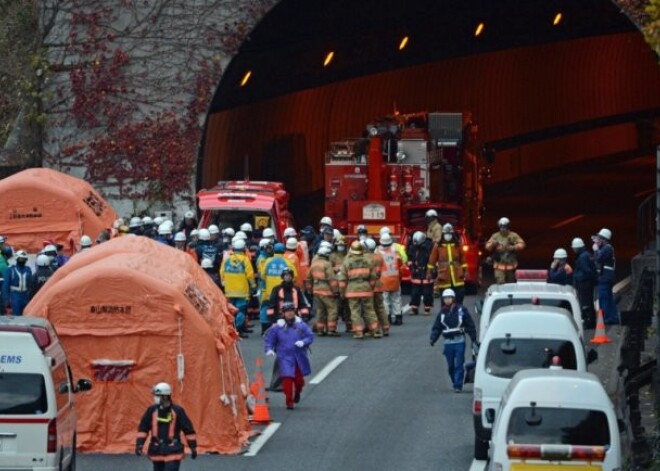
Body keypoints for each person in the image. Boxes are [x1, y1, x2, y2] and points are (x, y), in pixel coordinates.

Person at [136, 382, 197, 470]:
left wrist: (193, 446)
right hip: (157, 450)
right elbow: (143, 428)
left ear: (165, 396)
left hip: (173, 450)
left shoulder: (178, 411)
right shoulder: (151, 411)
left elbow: (188, 430)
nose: (155, 398)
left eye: (157, 395)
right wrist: (139, 444)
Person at [264, 302, 314, 410]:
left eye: (291, 311)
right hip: (284, 357)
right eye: (287, 311)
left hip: (298, 357)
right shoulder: (277, 327)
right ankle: (289, 401)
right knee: (287, 379)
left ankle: (297, 393)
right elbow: (270, 339)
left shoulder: (301, 325)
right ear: (283, 313)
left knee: (299, 381)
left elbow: (310, 336)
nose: (290, 313)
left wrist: (303, 342)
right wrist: (269, 349)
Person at [429, 289, 478, 393]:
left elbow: (470, 324)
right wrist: (433, 338)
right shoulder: (442, 313)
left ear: (453, 298)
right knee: (451, 366)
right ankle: (455, 380)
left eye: (449, 298)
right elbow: (437, 327)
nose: (447, 300)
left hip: (459, 341)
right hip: (448, 343)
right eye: (445, 298)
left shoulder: (462, 310)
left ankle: (458, 385)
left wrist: (473, 338)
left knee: (459, 364)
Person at [337, 241, 379, 339]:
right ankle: (375, 330)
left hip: (352, 289)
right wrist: (370, 288)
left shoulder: (347, 261)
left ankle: (358, 332)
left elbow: (342, 280)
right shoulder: (368, 260)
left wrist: (342, 292)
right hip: (366, 287)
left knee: (355, 311)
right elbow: (373, 278)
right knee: (370, 310)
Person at [220, 238, 256, 338]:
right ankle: (239, 330)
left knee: (230, 310)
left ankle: (230, 329)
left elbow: (222, 272)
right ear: (243, 248)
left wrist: (224, 283)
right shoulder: (245, 259)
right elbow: (250, 275)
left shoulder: (227, 259)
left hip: (229, 290)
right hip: (241, 290)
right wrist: (253, 286)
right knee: (241, 310)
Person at [260, 243, 295, 334]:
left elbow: (262, 275)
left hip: (269, 290)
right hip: (282, 291)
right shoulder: (287, 262)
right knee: (281, 308)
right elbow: (294, 275)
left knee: (267, 307)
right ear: (284, 251)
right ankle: (281, 327)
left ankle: (265, 327)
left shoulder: (268, 261)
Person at [428, 223, 468, 302]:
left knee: (460, 296)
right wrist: (429, 273)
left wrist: (466, 271)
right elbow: (432, 260)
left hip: (457, 275)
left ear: (453, 234)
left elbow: (463, 259)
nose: (448, 235)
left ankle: (458, 312)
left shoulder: (457, 245)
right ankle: (446, 313)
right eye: (446, 233)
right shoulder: (438, 246)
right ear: (443, 234)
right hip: (444, 276)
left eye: (450, 233)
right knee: (445, 299)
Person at [306, 245, 339, 336]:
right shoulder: (327, 264)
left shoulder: (314, 264)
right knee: (332, 309)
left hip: (316, 290)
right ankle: (331, 329)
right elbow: (331, 279)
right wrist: (336, 291)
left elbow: (308, 279)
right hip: (326, 291)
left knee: (320, 310)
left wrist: (309, 290)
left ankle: (320, 329)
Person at [485, 217, 525, 284]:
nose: (503, 228)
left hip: (511, 265)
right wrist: (493, 244)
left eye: (505, 227)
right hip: (499, 265)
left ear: (508, 226)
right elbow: (487, 247)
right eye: (501, 226)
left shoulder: (514, 235)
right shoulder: (495, 236)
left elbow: (522, 244)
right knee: (500, 282)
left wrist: (514, 247)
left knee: (511, 283)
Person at [375, 233, 403, 326]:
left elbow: (376, 267)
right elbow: (400, 264)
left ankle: (387, 319)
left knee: (385, 300)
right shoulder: (396, 252)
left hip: (383, 280)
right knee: (396, 299)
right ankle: (398, 318)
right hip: (395, 279)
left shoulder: (378, 252)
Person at [592, 228, 619, 324]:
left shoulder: (607, 248)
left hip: (606, 277)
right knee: (608, 298)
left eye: (599, 238)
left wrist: (595, 250)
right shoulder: (605, 248)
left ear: (604, 239)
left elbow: (599, 259)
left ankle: (608, 318)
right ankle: (612, 317)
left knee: (604, 298)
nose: (597, 240)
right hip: (606, 277)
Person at [571, 237, 598, 329]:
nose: (573, 249)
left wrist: (579, 278)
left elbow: (586, 270)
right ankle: (591, 321)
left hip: (584, 284)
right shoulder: (587, 254)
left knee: (585, 303)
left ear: (577, 247)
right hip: (587, 283)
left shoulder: (582, 257)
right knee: (589, 302)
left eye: (574, 247)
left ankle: (589, 323)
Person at [407, 231, 434, 315]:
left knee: (427, 292)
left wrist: (431, 271)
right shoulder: (413, 248)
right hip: (416, 272)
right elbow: (410, 258)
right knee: (415, 292)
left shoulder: (429, 247)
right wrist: (412, 267)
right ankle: (414, 308)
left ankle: (427, 309)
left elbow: (433, 259)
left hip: (427, 272)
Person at [2, 250, 33, 315]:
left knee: (26, 316)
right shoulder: (11, 270)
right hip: (15, 296)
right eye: (21, 259)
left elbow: (30, 285)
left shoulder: (28, 269)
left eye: (24, 259)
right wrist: (6, 300)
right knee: (16, 317)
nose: (23, 261)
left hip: (25, 296)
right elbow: (5, 286)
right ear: (17, 258)